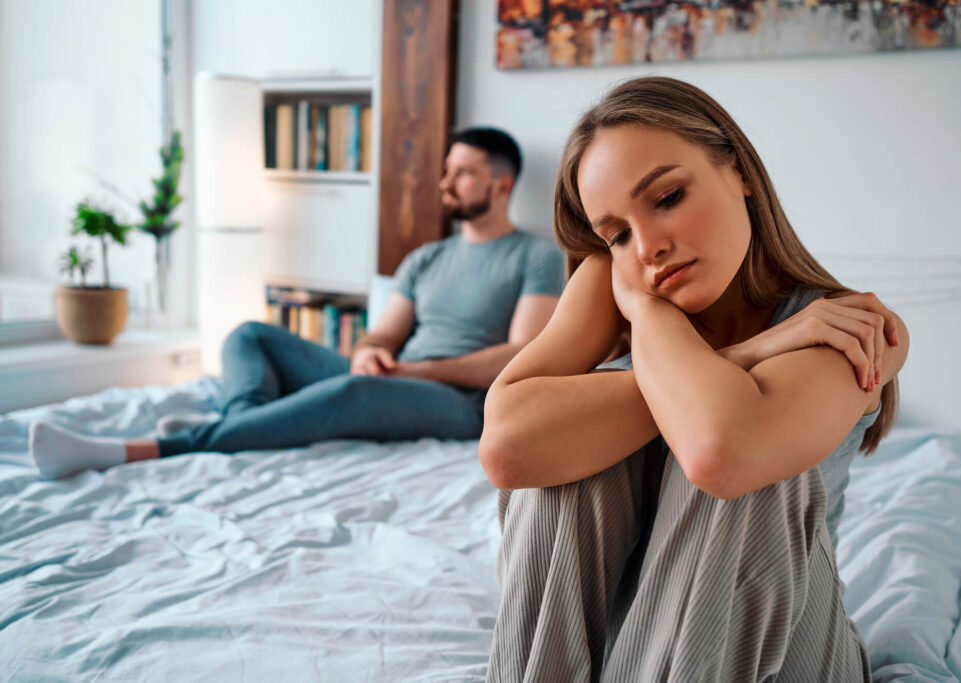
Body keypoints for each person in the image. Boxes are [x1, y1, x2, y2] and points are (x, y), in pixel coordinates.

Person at [479, 78, 910, 681]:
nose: (649, 248)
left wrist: (651, 317)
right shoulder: (619, 286)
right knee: (566, 450)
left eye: (667, 197)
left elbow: (723, 452)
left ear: (737, 172)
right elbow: (506, 446)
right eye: (618, 234)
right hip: (614, 640)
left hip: (781, 654)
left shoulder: (850, 325)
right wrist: (738, 349)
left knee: (747, 457)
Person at [31, 127, 564, 479]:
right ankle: (246, 422)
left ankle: (146, 449)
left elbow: (518, 356)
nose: (446, 184)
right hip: (397, 374)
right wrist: (372, 350)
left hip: (460, 402)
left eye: (462, 173)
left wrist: (413, 371)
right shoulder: (426, 258)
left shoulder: (536, 257)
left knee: (354, 391)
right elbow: (383, 334)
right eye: (446, 171)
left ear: (501, 184)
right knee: (250, 335)